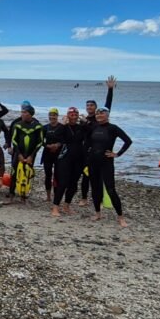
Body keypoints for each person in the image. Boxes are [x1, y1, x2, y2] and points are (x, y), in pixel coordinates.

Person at [85, 106, 132, 227]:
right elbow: (86, 140)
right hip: (93, 161)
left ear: (107, 115)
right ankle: (97, 213)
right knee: (95, 188)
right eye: (97, 114)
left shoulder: (113, 128)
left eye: (102, 113)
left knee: (111, 189)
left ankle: (120, 217)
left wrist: (117, 154)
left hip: (106, 162)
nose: (99, 115)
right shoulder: (94, 127)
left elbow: (128, 141)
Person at [79, 75, 116, 206]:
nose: (89, 107)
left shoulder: (99, 118)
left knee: (98, 177)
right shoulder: (83, 120)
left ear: (96, 107)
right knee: (85, 175)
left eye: (92, 105)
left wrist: (110, 90)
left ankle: (98, 199)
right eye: (87, 105)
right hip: (86, 151)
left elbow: (108, 106)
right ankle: (83, 198)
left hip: (98, 151)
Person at [51, 106, 86, 216]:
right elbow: (54, 135)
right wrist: (62, 124)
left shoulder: (81, 127)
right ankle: (55, 208)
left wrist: (86, 122)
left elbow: (91, 133)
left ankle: (66, 206)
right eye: (71, 115)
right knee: (63, 183)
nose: (74, 117)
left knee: (73, 184)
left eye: (76, 115)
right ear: (67, 116)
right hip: (65, 157)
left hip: (79, 158)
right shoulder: (64, 127)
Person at [8, 104, 44, 201]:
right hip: (18, 153)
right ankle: (11, 193)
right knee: (14, 172)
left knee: (28, 173)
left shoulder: (38, 126)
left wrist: (32, 156)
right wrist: (18, 153)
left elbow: (40, 142)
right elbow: (14, 140)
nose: (22, 114)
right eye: (22, 112)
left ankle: (24, 194)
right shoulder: (18, 125)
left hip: (30, 155)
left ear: (30, 114)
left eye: (25, 112)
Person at [41, 107, 65, 201]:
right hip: (47, 153)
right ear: (48, 116)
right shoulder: (45, 127)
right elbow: (41, 141)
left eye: (54, 115)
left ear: (57, 116)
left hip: (58, 154)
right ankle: (48, 196)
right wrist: (47, 146)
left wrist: (57, 145)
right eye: (51, 115)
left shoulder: (62, 127)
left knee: (57, 175)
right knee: (48, 175)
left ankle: (56, 195)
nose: (52, 117)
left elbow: (65, 140)